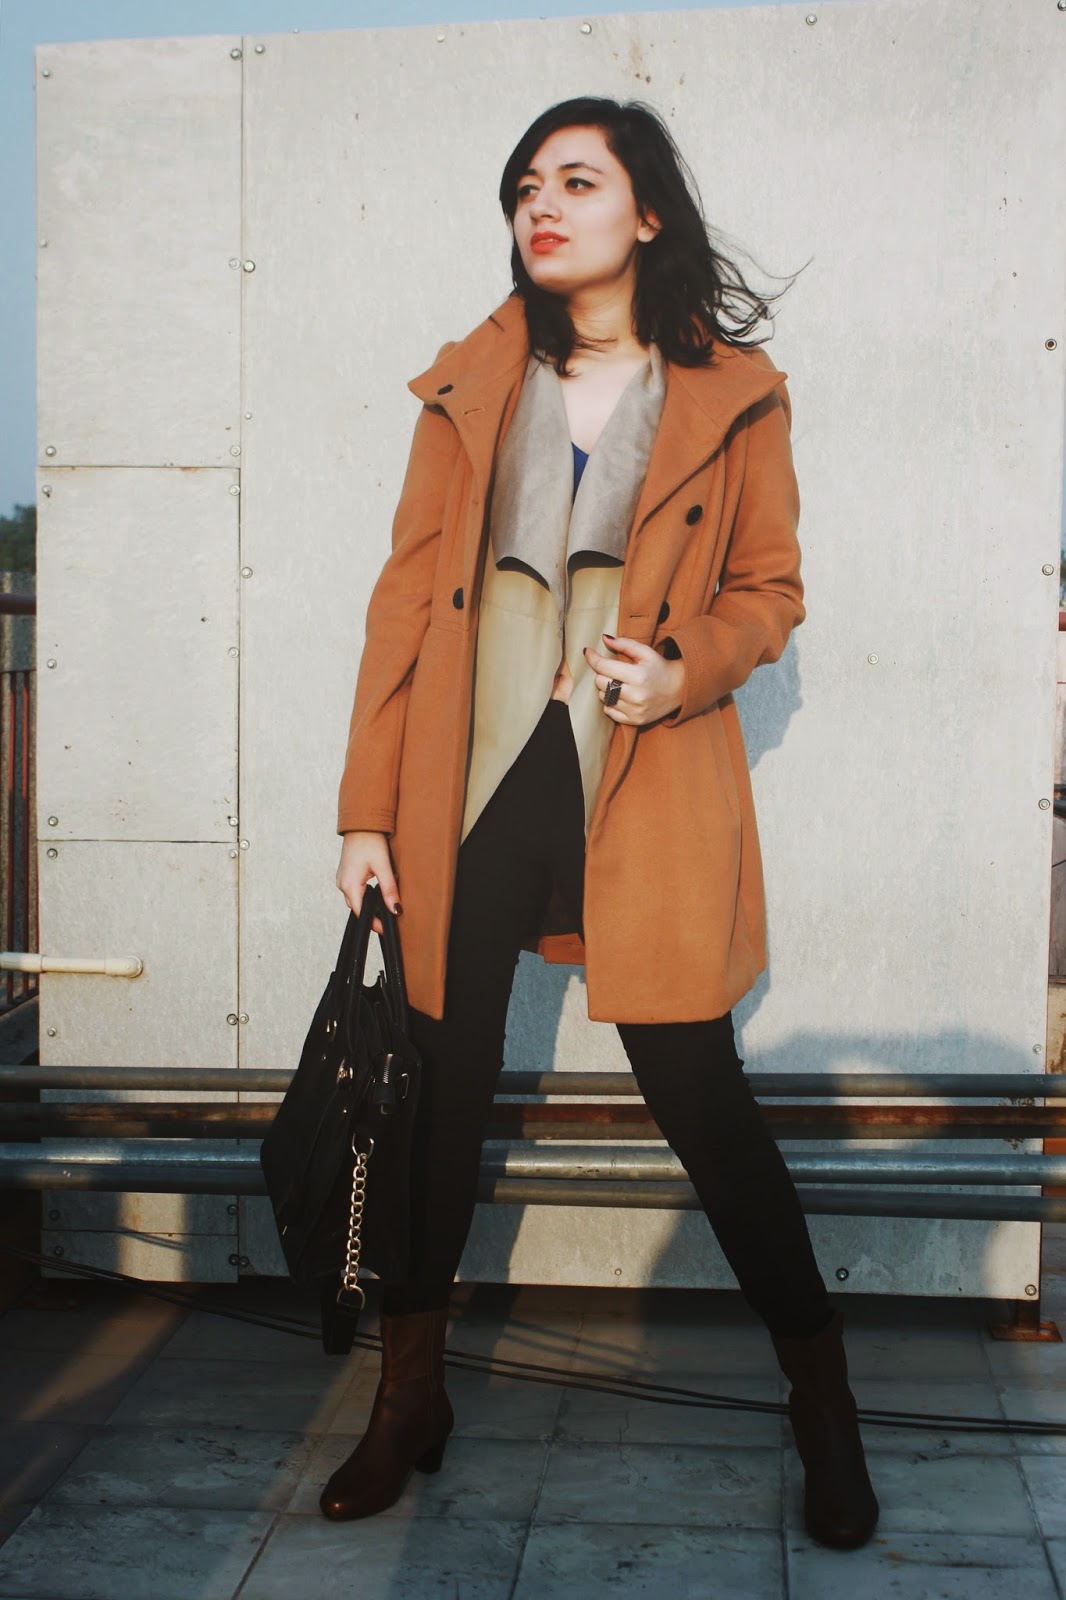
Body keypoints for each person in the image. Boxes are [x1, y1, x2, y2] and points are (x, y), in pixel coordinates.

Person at [323, 97, 879, 1549]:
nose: (542, 205)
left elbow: (769, 590)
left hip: (637, 775)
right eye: (525, 185)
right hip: (469, 786)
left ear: (646, 214)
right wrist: (367, 810)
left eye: (577, 180)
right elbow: (402, 603)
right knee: (435, 1101)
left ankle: (824, 1402)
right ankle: (408, 1397)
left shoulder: (732, 396)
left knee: (699, 1095)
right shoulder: (471, 385)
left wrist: (686, 666)